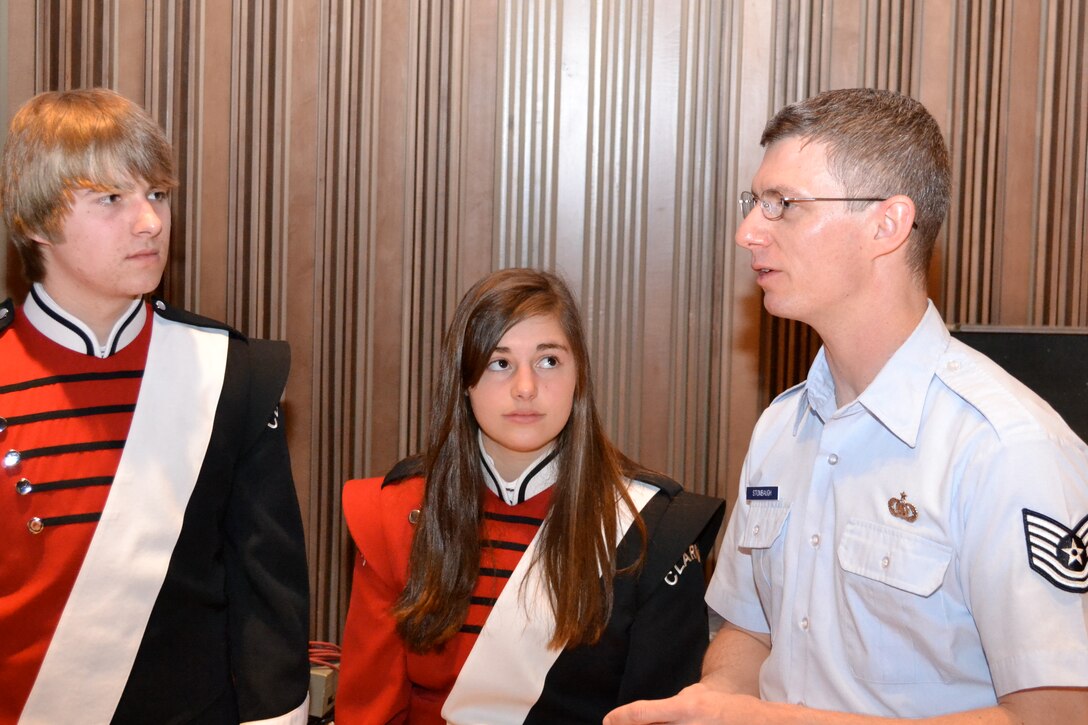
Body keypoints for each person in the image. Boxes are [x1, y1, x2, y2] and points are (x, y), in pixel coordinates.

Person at [606, 88, 1088, 724]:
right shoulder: (783, 425)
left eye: (784, 205)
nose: (748, 231)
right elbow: (749, 632)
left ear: (885, 225)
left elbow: (1053, 716)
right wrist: (716, 698)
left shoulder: (1008, 447)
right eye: (755, 203)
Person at [0, 88, 310, 723]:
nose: (150, 223)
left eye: (158, 194)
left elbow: (266, 599)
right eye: (111, 199)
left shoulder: (228, 372)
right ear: (33, 223)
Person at [337, 267, 725, 723]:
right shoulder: (393, 512)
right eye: (500, 363)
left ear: (579, 374)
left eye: (548, 361)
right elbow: (370, 711)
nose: (526, 388)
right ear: (465, 380)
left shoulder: (654, 530)